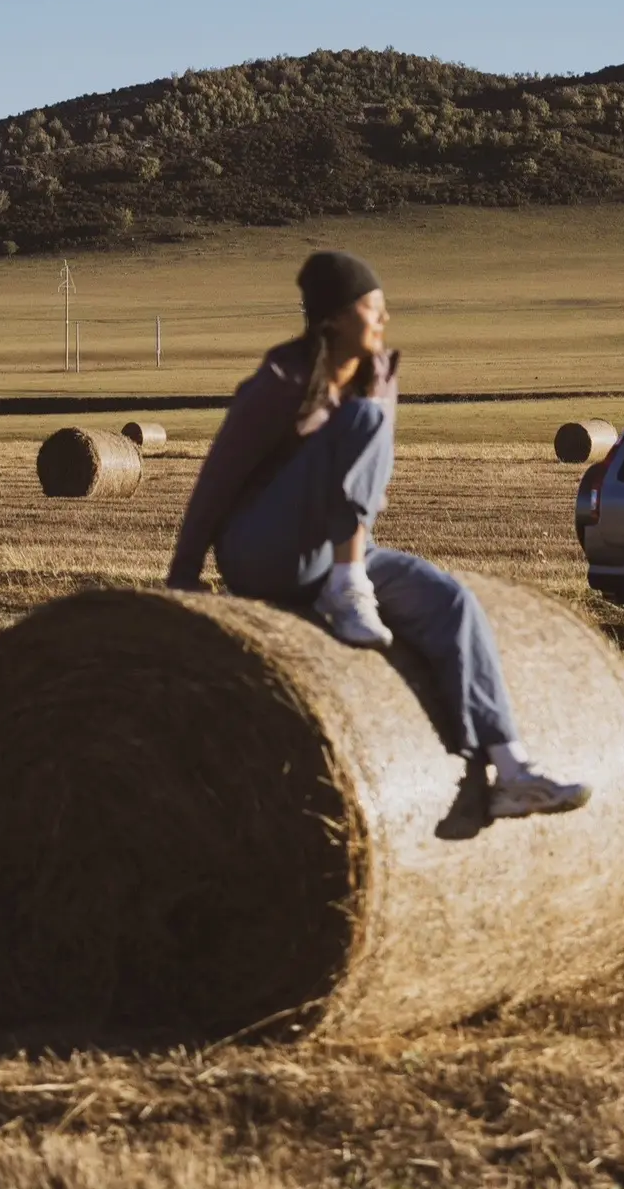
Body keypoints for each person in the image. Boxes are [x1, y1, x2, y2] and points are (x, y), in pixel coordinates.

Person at [167, 251, 591, 820]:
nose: (384, 321)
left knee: (450, 602)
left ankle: (511, 770)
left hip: (341, 550)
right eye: (373, 308)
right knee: (365, 420)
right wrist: (184, 576)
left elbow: (365, 486)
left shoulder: (381, 376)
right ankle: (347, 587)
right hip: (262, 551)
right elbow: (219, 477)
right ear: (334, 318)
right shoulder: (281, 379)